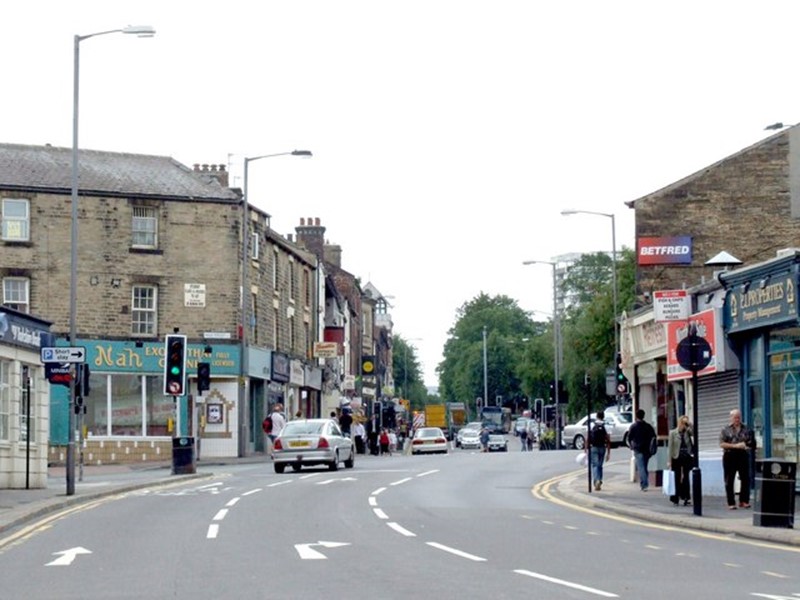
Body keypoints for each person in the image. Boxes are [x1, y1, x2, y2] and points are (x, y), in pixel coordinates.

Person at [719, 408, 755, 509]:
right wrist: (735, 446)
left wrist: (745, 444)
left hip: (743, 455)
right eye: (735, 417)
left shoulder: (746, 428)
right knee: (729, 480)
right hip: (730, 455)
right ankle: (731, 503)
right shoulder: (725, 429)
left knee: (745, 479)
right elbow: (722, 444)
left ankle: (744, 501)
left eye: (738, 417)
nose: (737, 419)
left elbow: (752, 442)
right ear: (731, 418)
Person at [627, 409, 657, 491]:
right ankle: (644, 483)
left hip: (638, 449)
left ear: (636, 416)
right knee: (644, 467)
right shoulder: (648, 426)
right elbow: (653, 436)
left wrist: (631, 446)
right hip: (647, 449)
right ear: (643, 416)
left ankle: (644, 484)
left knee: (641, 468)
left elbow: (629, 438)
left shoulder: (633, 426)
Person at [668, 415, 694, 506]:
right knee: (677, 477)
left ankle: (686, 497)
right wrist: (669, 460)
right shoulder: (673, 433)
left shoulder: (688, 432)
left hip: (686, 456)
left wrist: (689, 425)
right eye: (683, 423)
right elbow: (670, 448)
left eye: (685, 423)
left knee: (686, 477)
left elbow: (694, 433)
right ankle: (675, 497)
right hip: (676, 457)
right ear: (679, 422)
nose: (684, 425)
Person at [588, 411, 611, 491]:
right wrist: (608, 453)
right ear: (603, 417)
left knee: (595, 465)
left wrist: (585, 449)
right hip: (602, 447)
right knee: (600, 466)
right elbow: (608, 440)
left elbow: (588, 437)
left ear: (597, 416)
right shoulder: (606, 426)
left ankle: (596, 480)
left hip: (593, 447)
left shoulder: (592, 425)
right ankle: (599, 480)